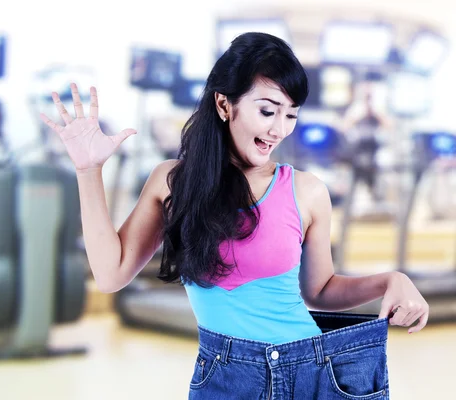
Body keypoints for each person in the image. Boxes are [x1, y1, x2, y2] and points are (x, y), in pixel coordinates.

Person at [40, 32, 428, 399]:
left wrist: (389, 280)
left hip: (314, 371)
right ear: (224, 105)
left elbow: (319, 291)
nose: (279, 129)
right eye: (267, 111)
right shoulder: (173, 183)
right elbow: (110, 274)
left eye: (291, 115)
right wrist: (88, 171)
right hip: (225, 376)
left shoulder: (307, 191)